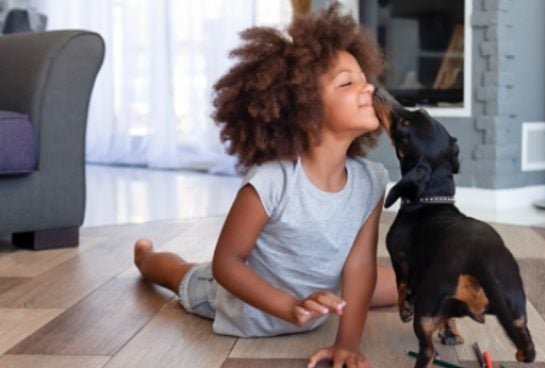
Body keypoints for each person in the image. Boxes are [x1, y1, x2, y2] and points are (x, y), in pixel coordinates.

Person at [133, 4, 397, 367]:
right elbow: (228, 263)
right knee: (181, 273)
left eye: (363, 77)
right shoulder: (273, 180)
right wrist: (287, 306)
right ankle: (145, 256)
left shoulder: (371, 180)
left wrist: (347, 343)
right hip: (243, 305)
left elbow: (359, 267)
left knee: (406, 285)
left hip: (321, 297)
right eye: (347, 82)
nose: (368, 86)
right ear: (305, 110)